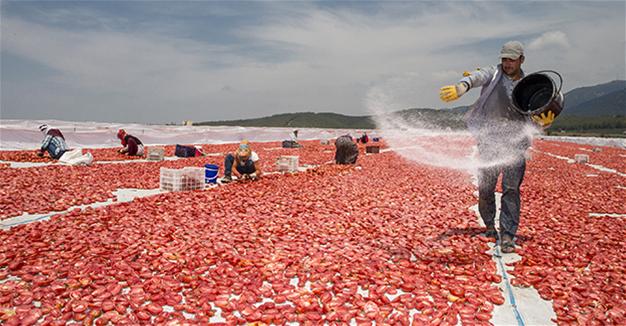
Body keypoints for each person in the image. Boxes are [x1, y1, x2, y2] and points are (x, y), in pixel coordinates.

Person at [439, 41, 558, 254]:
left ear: (521, 59)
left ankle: (508, 234)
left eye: (511, 59)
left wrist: (544, 122)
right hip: (489, 141)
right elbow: (476, 76)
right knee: (486, 188)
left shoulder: (531, 86)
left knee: (511, 189)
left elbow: (536, 115)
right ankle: (489, 226)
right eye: (504, 59)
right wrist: (462, 86)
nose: (507, 63)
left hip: (515, 144)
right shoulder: (493, 74)